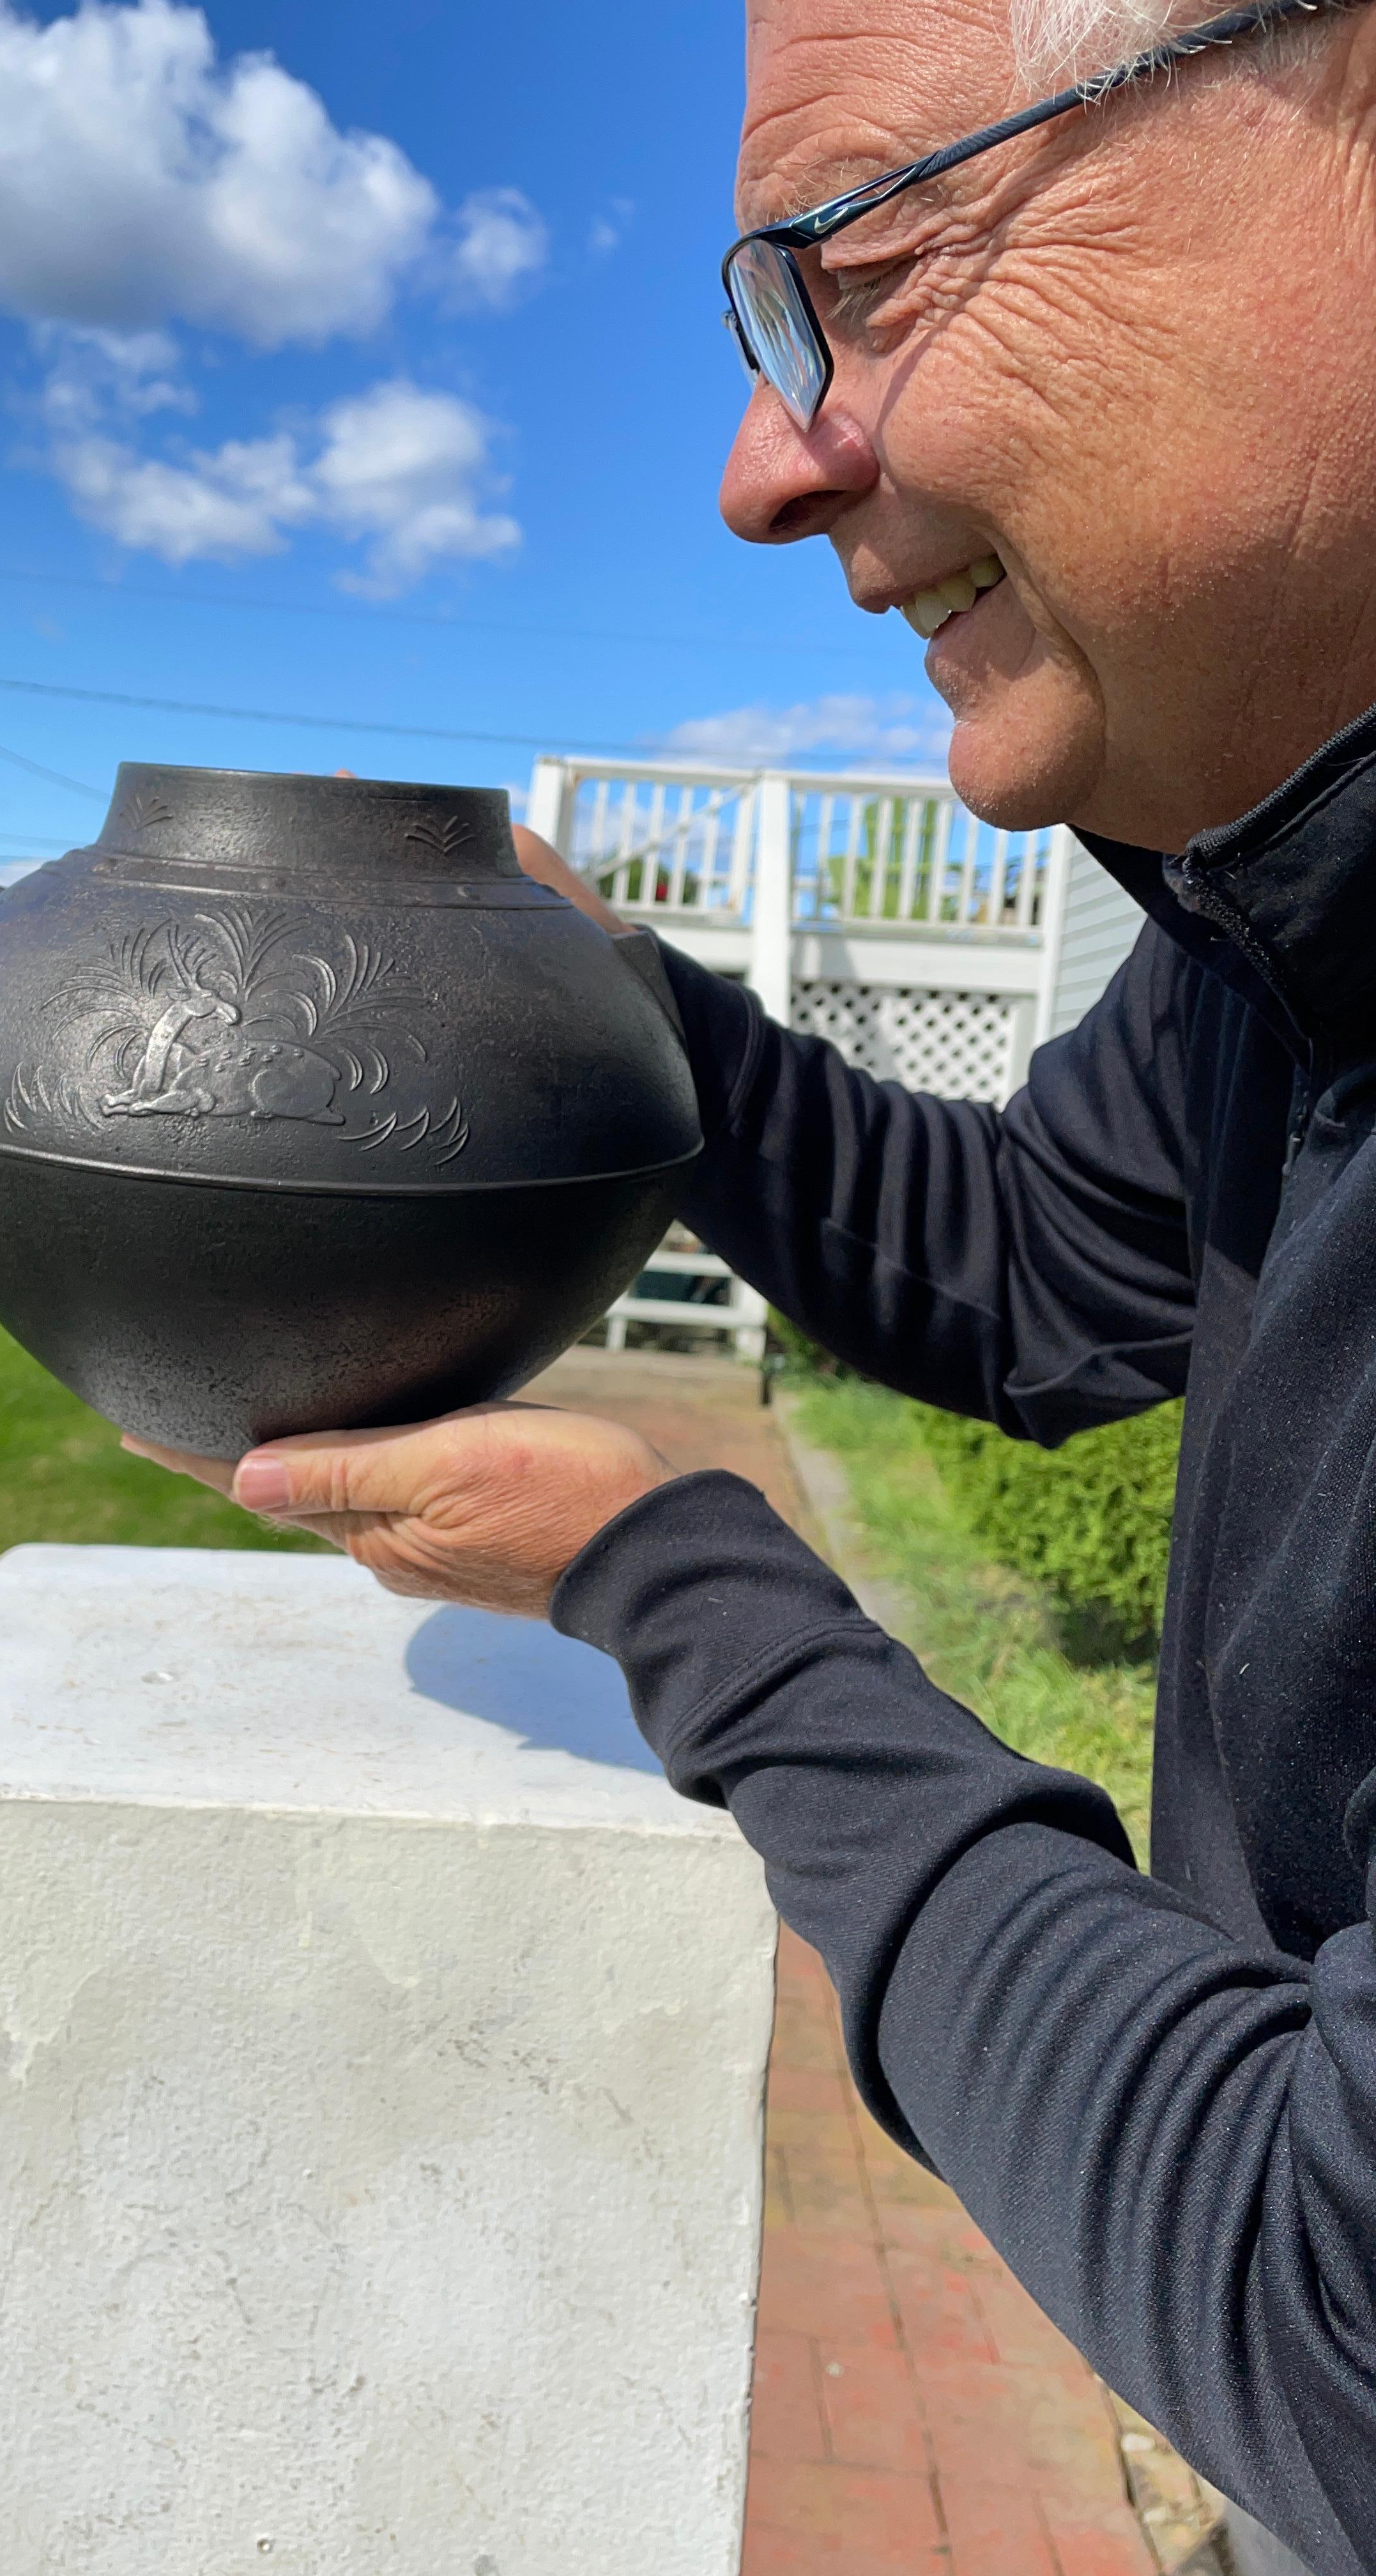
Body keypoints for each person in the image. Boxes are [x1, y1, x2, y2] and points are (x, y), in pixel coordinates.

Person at [127, 2, 1376, 2567]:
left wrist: (671, 1586)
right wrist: (620, 996)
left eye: (871, 270)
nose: (763, 464)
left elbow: (1330, 2322)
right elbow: (1035, 1268)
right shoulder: (1303, 930)